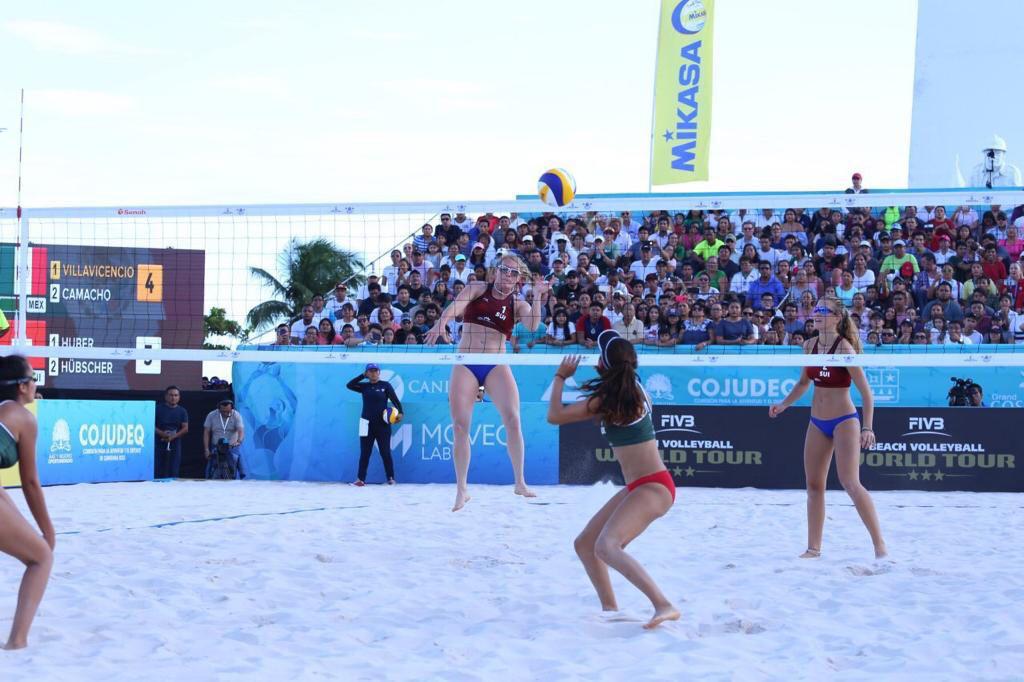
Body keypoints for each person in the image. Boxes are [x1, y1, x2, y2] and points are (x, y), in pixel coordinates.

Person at [545, 332, 679, 630]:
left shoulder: (610, 399)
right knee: (585, 544)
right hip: (641, 486)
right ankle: (610, 608)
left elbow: (554, 416)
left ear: (604, 364)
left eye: (600, 356)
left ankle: (663, 604)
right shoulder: (632, 389)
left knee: (607, 546)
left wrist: (561, 376)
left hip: (654, 487)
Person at [424, 253, 550, 511]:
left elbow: (532, 325)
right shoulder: (478, 288)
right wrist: (442, 322)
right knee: (460, 426)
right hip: (467, 361)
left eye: (514, 273)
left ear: (519, 279)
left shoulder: (517, 303)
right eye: (504, 269)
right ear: (496, 271)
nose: (508, 275)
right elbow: (456, 306)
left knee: (513, 420)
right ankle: (462, 490)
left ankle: (520, 482)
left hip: (495, 363)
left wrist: (537, 295)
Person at [769, 296, 887, 559]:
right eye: (816, 309)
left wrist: (868, 428)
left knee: (850, 483)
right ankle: (814, 548)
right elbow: (803, 383)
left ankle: (879, 545)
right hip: (817, 422)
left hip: (844, 420)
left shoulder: (844, 348)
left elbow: (867, 394)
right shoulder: (809, 345)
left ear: (836, 318)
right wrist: (784, 404)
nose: (817, 313)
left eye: (824, 310)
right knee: (813, 486)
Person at [0, 354, 55, 649]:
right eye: (33, 378)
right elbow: (30, 483)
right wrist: (47, 531)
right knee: (41, 557)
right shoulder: (22, 416)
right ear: (21, 386)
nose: (36, 384)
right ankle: (17, 641)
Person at [346, 363, 403, 485]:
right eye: (370, 371)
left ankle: (391, 478)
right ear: (367, 373)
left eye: (375, 370)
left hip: (382, 425)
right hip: (365, 424)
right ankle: (360, 480)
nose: (373, 373)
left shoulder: (385, 385)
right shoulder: (364, 386)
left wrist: (401, 413)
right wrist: (362, 376)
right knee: (365, 453)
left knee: (385, 452)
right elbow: (349, 385)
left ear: (379, 372)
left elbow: (395, 401)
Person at [203, 398, 245, 479]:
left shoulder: (236, 415)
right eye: (223, 411)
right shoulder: (211, 415)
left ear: (232, 408)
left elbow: (241, 431)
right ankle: (209, 480)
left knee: (234, 464)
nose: (226, 413)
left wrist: (239, 441)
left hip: (232, 446)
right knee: (212, 468)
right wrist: (206, 449)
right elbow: (206, 432)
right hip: (216, 446)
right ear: (218, 409)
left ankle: (239, 475)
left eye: (228, 411)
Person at [155, 385, 189, 478]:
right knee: (158, 467)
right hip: (159, 441)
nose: (173, 398)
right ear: (166, 396)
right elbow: (151, 425)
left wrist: (173, 436)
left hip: (175, 442)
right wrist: (162, 434)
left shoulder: (182, 411)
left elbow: (185, 428)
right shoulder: (157, 409)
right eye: (171, 395)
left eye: (176, 395)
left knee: (174, 468)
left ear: (179, 397)